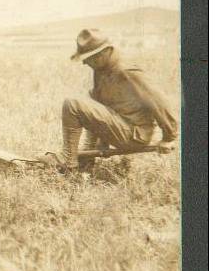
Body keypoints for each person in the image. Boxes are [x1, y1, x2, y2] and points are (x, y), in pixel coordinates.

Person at [40, 28, 178, 170]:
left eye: (88, 58)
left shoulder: (126, 70)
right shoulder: (102, 68)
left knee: (72, 104)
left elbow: (158, 100)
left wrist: (169, 137)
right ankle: (87, 157)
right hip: (122, 124)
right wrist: (99, 144)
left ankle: (68, 158)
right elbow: (99, 102)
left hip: (133, 134)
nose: (84, 63)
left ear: (103, 53)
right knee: (90, 97)